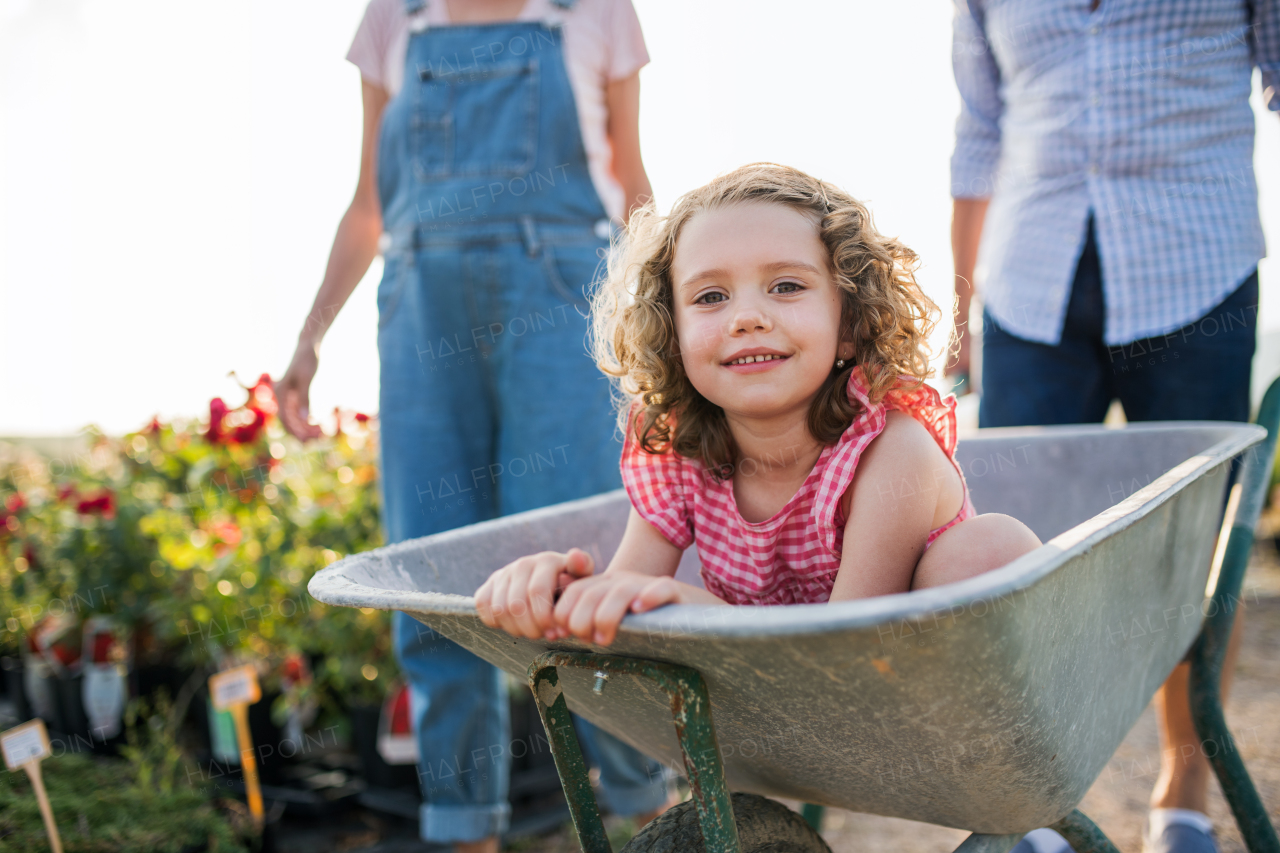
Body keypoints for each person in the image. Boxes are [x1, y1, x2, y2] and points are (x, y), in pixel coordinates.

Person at [276, 0, 674, 850]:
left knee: (583, 570)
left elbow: (635, 191)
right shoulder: (396, 20)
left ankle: (655, 812)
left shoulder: (595, 12)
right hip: (423, 314)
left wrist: (664, 337)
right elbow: (368, 205)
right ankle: (466, 831)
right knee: (435, 579)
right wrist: (308, 342)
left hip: (563, 302)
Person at [947, 2, 1278, 852]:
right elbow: (980, 130)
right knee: (1010, 550)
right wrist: (958, 304)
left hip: (1195, 268)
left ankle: (1185, 786)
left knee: (1191, 544)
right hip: (1028, 281)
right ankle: (1033, 801)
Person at [475, 163, 1041, 647]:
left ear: (850, 325)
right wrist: (555, 593)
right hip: (786, 722)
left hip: (913, 697)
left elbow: (847, 654)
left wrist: (685, 607)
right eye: (711, 297)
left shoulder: (891, 454)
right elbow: (623, 617)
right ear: (672, 337)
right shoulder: (681, 455)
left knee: (989, 549)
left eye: (787, 287)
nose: (746, 317)